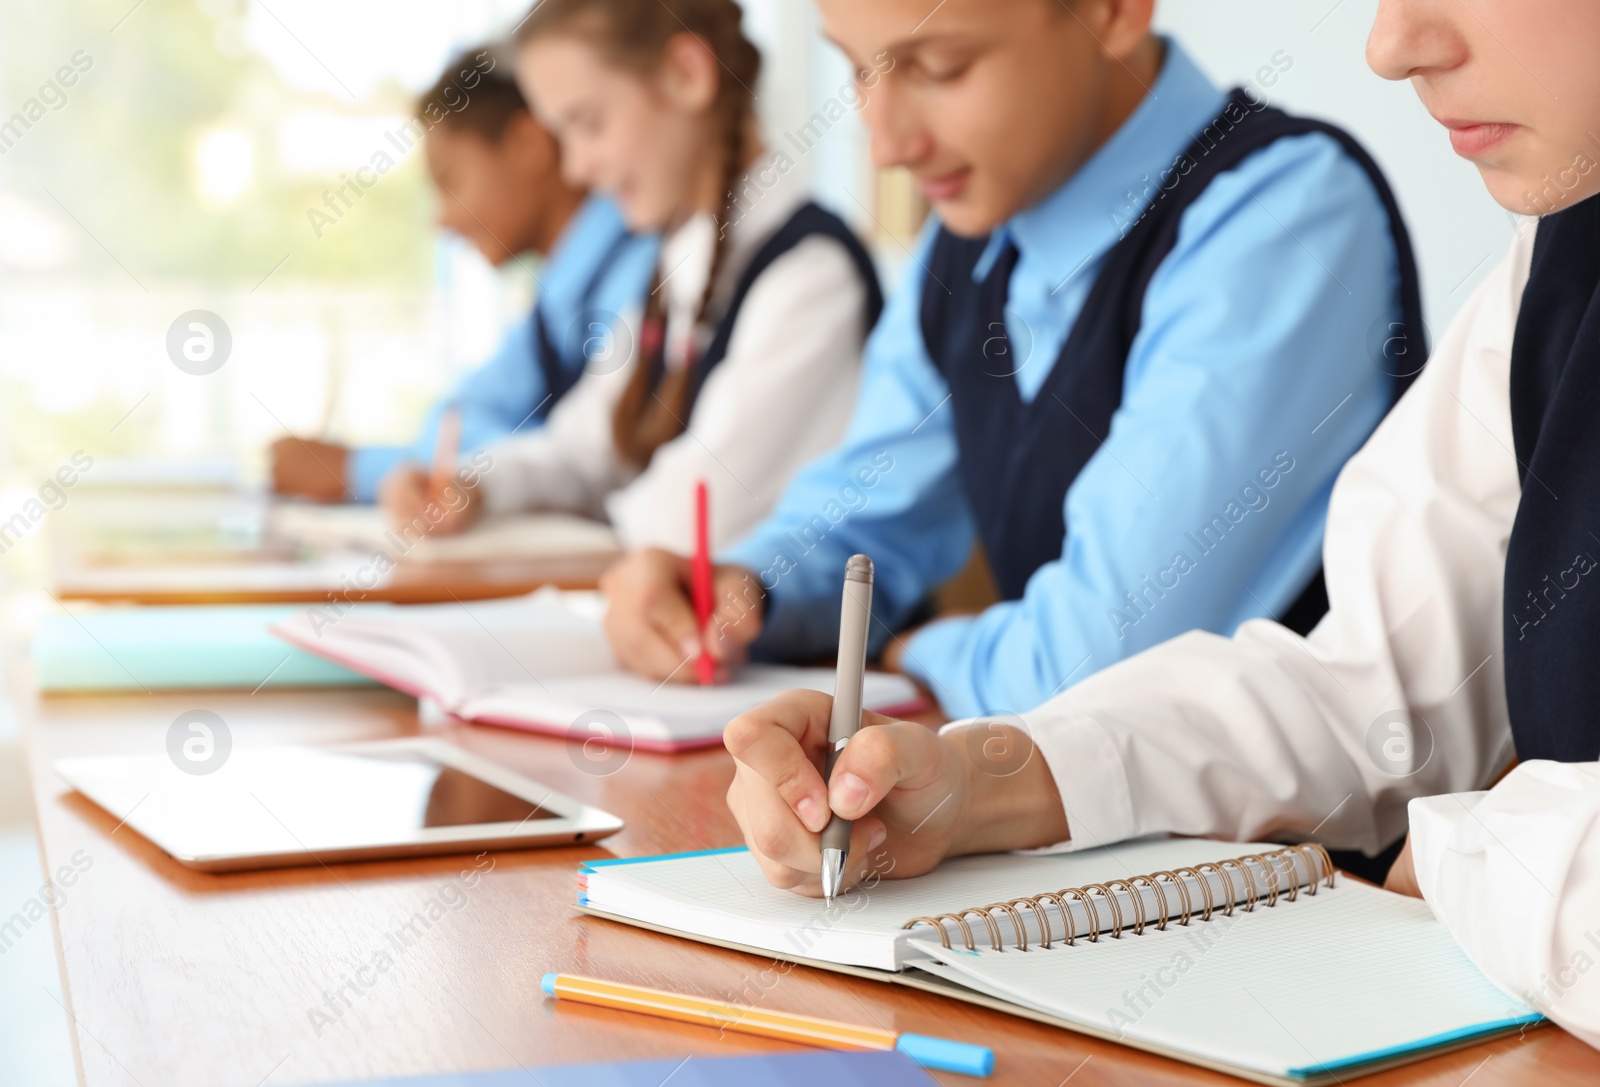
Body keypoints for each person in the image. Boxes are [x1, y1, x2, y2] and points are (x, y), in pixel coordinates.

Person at [721, 0, 1600, 1051]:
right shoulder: (1555, 254)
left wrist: (1477, 857)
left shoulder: (1276, 209)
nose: (1390, 46)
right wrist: (980, 781)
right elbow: (1372, 688)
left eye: (940, 65)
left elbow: (1101, 642)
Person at [599, 0, 1425, 719]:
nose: (885, 144)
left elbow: (1097, 662)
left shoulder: (1281, 218)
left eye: (941, 67)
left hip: (1292, 871)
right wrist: (739, 590)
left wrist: (927, 651)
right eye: (856, 70)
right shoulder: (969, 242)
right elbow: (868, 513)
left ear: (1111, 8)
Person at [382, 0, 883, 555]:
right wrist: (475, 485)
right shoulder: (677, 266)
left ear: (687, 76)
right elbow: (582, 451)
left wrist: (570, 514)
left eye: (587, 124)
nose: (574, 168)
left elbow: (692, 516)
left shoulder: (810, 277)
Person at [270, 45, 655, 504]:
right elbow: (454, 420)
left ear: (527, 146)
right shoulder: (557, 304)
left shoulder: (645, 277)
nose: (442, 220)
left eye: (451, 182)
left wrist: (358, 470)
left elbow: (589, 456)